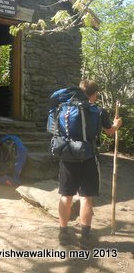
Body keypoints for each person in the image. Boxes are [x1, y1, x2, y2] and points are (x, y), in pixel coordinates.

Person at [57, 79, 122, 249]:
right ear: (95, 94)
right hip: (88, 157)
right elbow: (109, 132)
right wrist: (116, 125)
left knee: (66, 196)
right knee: (86, 198)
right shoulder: (99, 111)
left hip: (67, 155)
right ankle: (84, 238)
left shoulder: (65, 107)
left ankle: (63, 233)